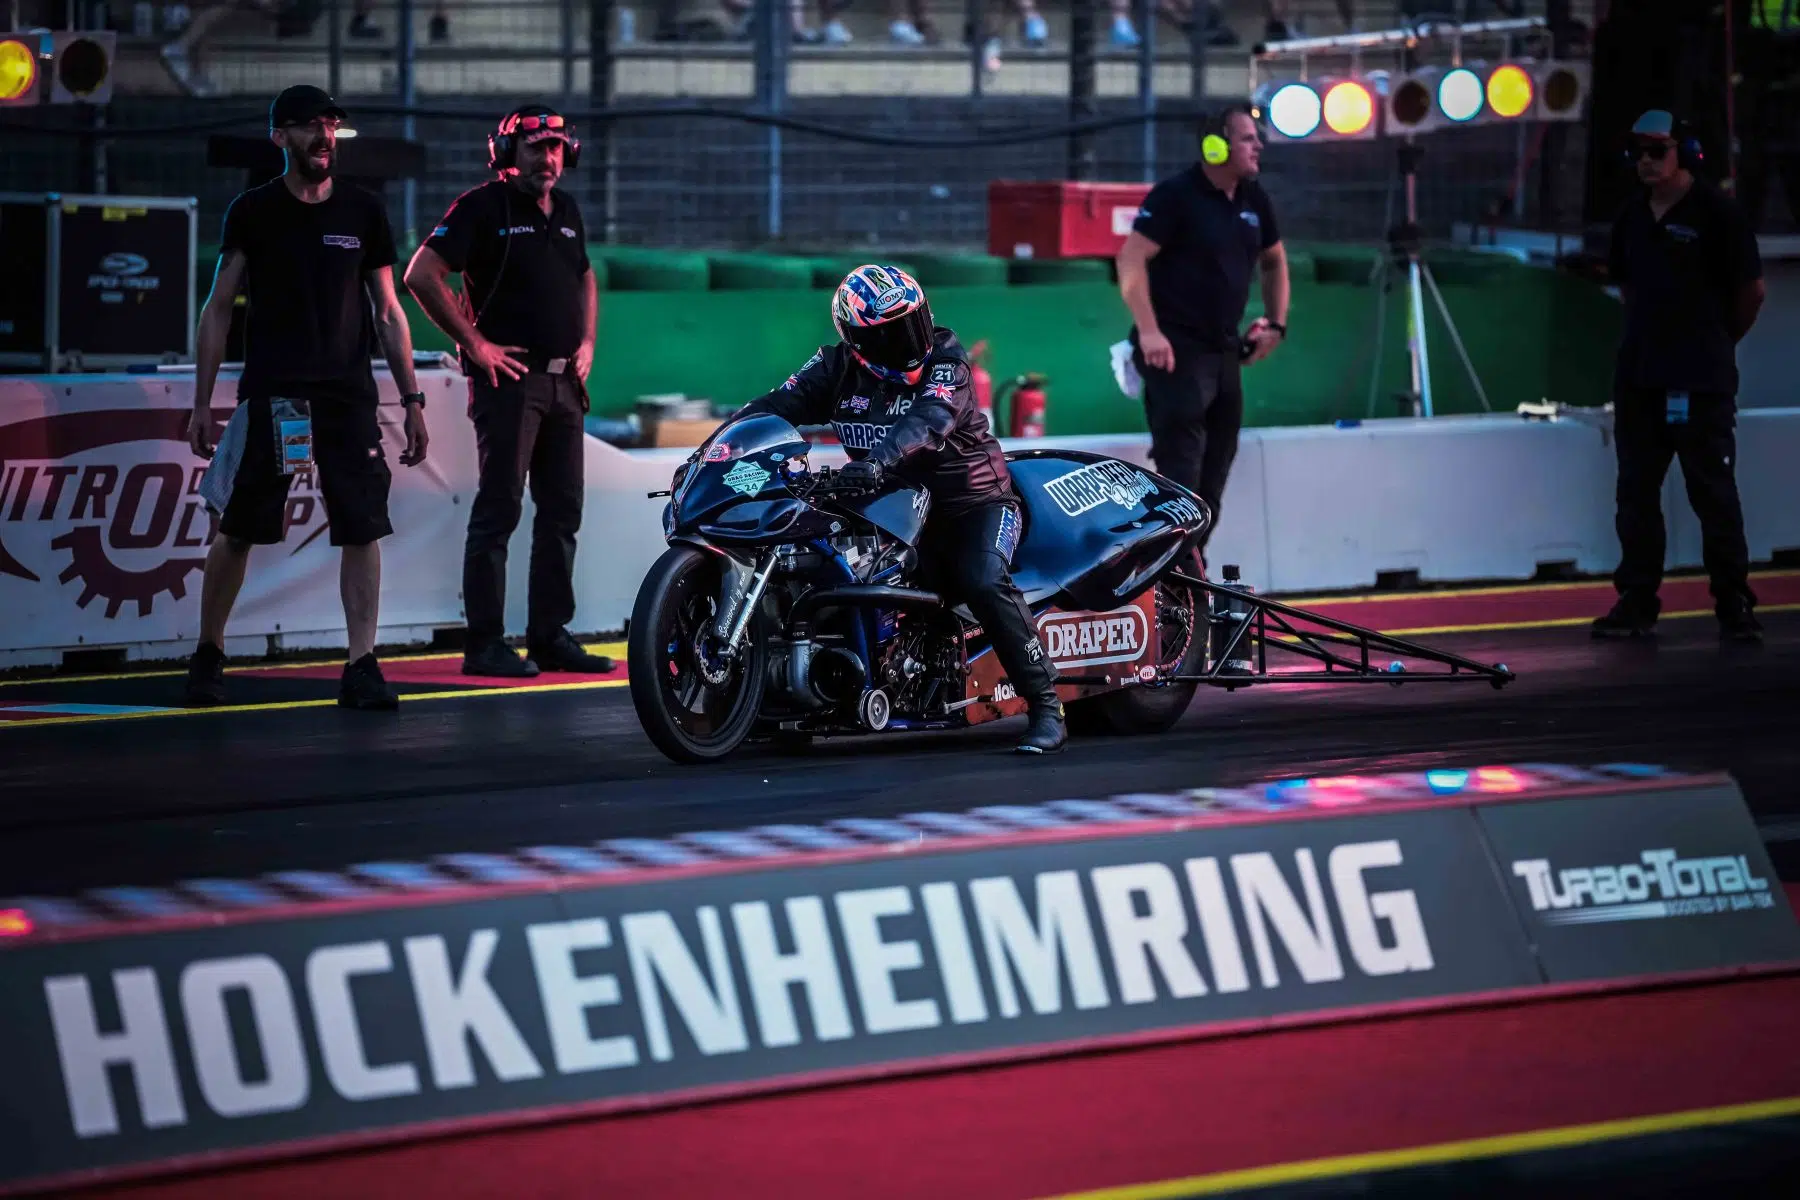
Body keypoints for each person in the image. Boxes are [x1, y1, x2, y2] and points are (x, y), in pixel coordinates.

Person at [735, 265, 1067, 755]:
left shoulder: (947, 361)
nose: (909, 342)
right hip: (888, 507)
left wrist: (878, 461)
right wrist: (717, 450)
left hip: (974, 504)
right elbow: (774, 406)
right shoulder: (834, 367)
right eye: (889, 334)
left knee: (981, 577)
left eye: (912, 324)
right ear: (856, 342)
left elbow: (929, 419)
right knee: (805, 559)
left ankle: (1046, 706)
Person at [183, 84, 430, 709]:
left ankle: (362, 664)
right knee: (239, 528)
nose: (324, 136)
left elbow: (388, 311)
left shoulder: (363, 210)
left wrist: (412, 400)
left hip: (347, 398)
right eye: (310, 126)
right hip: (277, 396)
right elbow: (217, 308)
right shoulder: (254, 210)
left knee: (361, 528)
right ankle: (208, 654)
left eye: (331, 125)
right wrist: (202, 403)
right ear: (281, 137)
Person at [404, 104, 615, 678]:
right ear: (506, 154)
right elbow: (421, 274)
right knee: (499, 510)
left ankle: (549, 637)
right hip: (510, 383)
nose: (548, 158)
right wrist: (475, 344)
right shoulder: (481, 207)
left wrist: (588, 341)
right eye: (535, 148)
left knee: (562, 512)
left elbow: (585, 275)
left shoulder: (566, 209)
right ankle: (485, 644)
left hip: (565, 382)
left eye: (555, 148)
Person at [1593, 109, 1766, 644]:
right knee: (1635, 494)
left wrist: (1715, 343)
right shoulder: (1631, 216)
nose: (1645, 161)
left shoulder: (1718, 214)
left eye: (1657, 150)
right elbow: (1626, 286)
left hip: (1700, 376)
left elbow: (1752, 291)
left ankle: (1733, 601)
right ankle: (1637, 599)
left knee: (1713, 493)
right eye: (1638, 151)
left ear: (1684, 153)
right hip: (1641, 376)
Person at [1115, 102, 1289, 575]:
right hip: (1176, 352)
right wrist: (1149, 331)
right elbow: (1130, 259)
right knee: (1182, 472)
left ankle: (1189, 567)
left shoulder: (1254, 199)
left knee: (1216, 471)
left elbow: (1275, 260)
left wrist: (1276, 323)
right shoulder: (1176, 196)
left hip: (1224, 352)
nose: (1258, 147)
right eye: (1247, 138)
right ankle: (1178, 574)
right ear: (1216, 147)